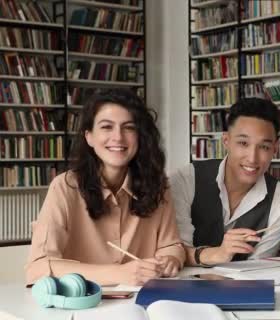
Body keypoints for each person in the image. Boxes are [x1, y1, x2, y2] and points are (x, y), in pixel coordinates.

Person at [25, 89, 185, 286]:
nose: (118, 137)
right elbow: (38, 268)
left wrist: (171, 259)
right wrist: (118, 274)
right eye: (107, 127)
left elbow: (171, 245)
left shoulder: (158, 185)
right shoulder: (64, 187)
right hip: (83, 306)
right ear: (89, 137)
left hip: (141, 304)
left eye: (129, 128)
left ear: (140, 137)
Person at [170, 98, 280, 266]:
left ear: (275, 149)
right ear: (226, 141)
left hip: (242, 289)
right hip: (181, 287)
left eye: (264, 147)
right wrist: (217, 254)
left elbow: (259, 268)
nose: (252, 158)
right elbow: (173, 252)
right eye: (243, 143)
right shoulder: (186, 179)